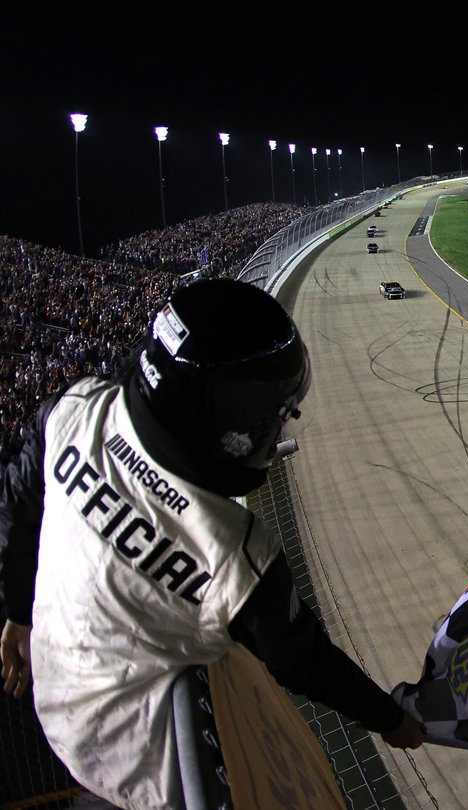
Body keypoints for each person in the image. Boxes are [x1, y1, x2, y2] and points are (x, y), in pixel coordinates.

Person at [0, 279, 423, 809]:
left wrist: (18, 611)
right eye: (273, 412)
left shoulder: (75, 410)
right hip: (144, 772)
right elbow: (305, 661)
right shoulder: (234, 552)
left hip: (52, 691)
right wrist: (392, 718)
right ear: (222, 415)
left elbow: (18, 495)